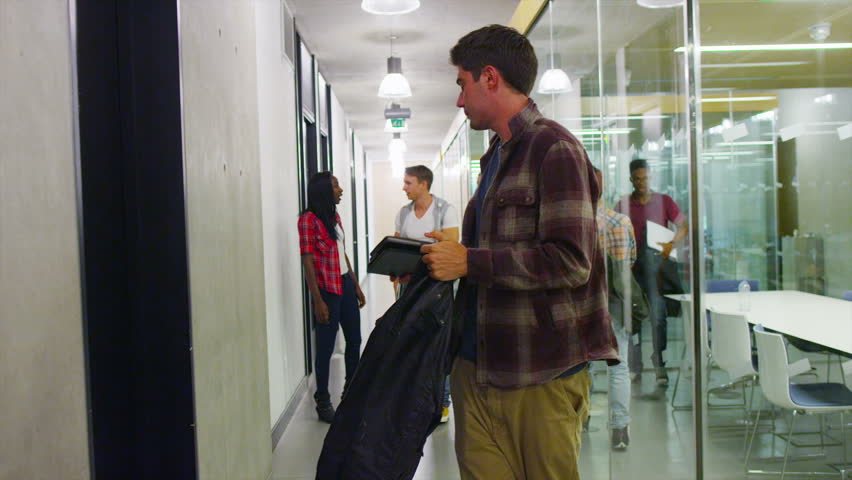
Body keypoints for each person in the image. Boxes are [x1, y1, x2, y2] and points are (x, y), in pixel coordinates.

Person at [421, 25, 618, 480]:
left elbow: (570, 260)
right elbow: (503, 247)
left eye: (461, 85)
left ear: (489, 77)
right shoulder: (494, 157)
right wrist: (457, 250)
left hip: (539, 377)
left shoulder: (556, 149)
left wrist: (469, 261)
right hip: (477, 370)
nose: (459, 100)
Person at [392, 164, 459, 423]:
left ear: (423, 184)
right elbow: (397, 244)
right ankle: (414, 400)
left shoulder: (445, 210)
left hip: (437, 288)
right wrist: (395, 269)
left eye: (408, 183)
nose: (404, 187)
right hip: (409, 286)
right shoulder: (404, 213)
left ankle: (442, 402)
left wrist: (440, 238)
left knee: (438, 343)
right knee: (409, 340)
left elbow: (453, 247)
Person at [298, 172, 366, 423]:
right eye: (336, 186)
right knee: (325, 348)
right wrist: (317, 300)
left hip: (345, 284)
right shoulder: (308, 220)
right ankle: (323, 400)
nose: (341, 190)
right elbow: (307, 261)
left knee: (355, 340)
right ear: (324, 190)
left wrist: (356, 285)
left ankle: (351, 392)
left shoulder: (334, 217)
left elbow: (342, 253)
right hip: (327, 290)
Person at [615, 158, 688, 387]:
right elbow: (615, 230)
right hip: (633, 272)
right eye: (637, 179)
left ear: (650, 177)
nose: (642, 183)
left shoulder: (664, 201)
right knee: (633, 319)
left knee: (658, 318)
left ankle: (660, 364)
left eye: (645, 178)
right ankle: (635, 366)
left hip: (656, 271)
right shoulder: (624, 203)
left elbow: (683, 225)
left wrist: (671, 244)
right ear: (631, 180)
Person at [594, 167, 640, 451]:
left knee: (580, 366)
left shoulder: (577, 223)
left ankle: (583, 416)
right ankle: (620, 429)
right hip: (616, 303)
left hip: (584, 304)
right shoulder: (621, 222)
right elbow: (630, 262)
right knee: (619, 367)